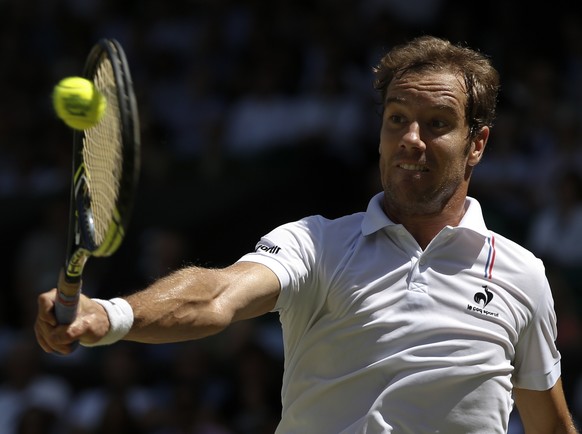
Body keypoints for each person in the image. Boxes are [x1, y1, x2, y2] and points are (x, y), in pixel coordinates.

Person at [34, 35, 578, 433]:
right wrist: (110, 315)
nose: (411, 139)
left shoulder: (521, 274)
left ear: (476, 144)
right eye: (396, 119)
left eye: (437, 123)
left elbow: (549, 427)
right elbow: (219, 294)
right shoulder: (316, 244)